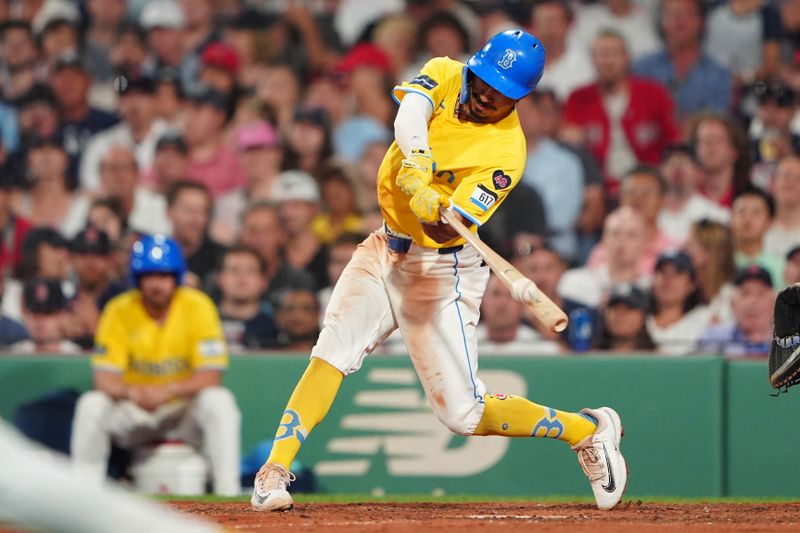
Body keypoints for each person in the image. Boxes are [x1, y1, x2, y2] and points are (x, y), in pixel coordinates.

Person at [250, 29, 627, 513]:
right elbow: (411, 111)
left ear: (520, 99)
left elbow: (455, 231)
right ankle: (275, 469)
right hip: (383, 246)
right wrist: (418, 158)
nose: (484, 96)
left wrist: (434, 207)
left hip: (439, 268)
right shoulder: (448, 73)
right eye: (482, 82)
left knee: (463, 414)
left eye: (499, 94)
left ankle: (587, 430)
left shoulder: (506, 153)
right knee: (332, 350)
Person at [70, 235, 241, 496]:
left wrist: (169, 390)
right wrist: (131, 393)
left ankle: (228, 493)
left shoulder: (198, 306)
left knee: (219, 400)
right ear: (138, 278)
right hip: (135, 409)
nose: (157, 284)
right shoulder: (119, 310)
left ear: (176, 277)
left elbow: (211, 375)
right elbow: (103, 379)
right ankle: (82, 495)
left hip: (181, 411)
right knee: (91, 404)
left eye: (164, 276)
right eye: (149, 276)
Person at [697, 264, 776, 357]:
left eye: (761, 293)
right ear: (732, 304)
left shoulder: (791, 344)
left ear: (775, 303)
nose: (753, 301)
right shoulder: (713, 339)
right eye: (745, 293)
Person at [645, 250, 711, 355]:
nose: (668, 279)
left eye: (677, 273)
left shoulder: (705, 320)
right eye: (662, 272)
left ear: (691, 284)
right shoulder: (639, 318)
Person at [478, 274, 561, 356]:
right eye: (496, 294)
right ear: (481, 300)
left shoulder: (542, 349)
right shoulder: (466, 342)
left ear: (522, 304)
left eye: (510, 295)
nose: (502, 303)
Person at [216, 244, 279, 351]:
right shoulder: (203, 324)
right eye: (234, 270)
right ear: (220, 279)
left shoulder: (276, 330)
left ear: (264, 281)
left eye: (250, 271)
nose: (242, 278)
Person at [10, 277, 81, 354]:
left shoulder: (77, 355)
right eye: (35, 313)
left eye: (48, 313)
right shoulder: (12, 354)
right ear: (25, 314)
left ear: (62, 315)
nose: (40, 322)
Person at [730, 187, 784, 288]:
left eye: (756, 212)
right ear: (731, 218)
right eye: (741, 211)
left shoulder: (781, 267)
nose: (747, 218)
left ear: (769, 222)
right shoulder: (720, 262)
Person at [593, 283, 656, 352]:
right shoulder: (588, 358)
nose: (620, 314)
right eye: (615, 308)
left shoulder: (660, 359)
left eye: (628, 308)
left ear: (643, 316)